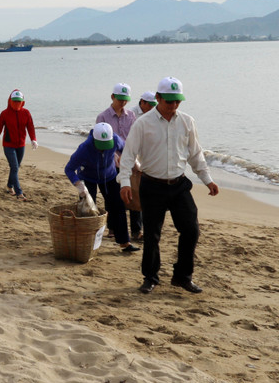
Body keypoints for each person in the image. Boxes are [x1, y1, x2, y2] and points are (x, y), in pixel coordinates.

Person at [119, 77, 219, 295]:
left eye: (177, 102)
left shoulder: (187, 121)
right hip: (151, 185)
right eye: (169, 102)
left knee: (191, 230)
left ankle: (182, 276)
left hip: (179, 184)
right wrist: (124, 182)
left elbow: (195, 153)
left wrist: (207, 179)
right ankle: (150, 277)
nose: (173, 106)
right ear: (158, 98)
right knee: (152, 234)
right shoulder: (142, 123)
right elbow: (128, 155)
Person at [65, 123, 139, 253]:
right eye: (100, 147)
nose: (103, 150)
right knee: (88, 211)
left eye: (106, 146)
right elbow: (69, 168)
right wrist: (78, 184)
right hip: (88, 178)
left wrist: (135, 164)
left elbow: (126, 151)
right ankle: (87, 243)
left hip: (109, 176)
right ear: (94, 140)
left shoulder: (116, 139)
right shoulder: (84, 148)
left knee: (119, 206)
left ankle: (124, 242)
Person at [96, 82, 142, 241]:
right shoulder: (103, 117)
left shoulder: (131, 116)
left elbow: (135, 138)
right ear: (112, 97)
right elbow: (101, 143)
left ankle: (137, 230)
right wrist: (117, 158)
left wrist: (132, 158)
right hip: (111, 162)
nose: (122, 102)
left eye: (125, 99)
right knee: (114, 197)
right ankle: (113, 228)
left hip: (129, 160)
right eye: (120, 99)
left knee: (135, 194)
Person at [0, 89, 37, 200]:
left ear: (22, 102)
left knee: (16, 167)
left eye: (19, 101)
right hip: (8, 145)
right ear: (10, 101)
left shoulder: (26, 113)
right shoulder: (4, 114)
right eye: (14, 101)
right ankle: (19, 192)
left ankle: (9, 185)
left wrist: (33, 139)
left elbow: (30, 127)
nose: (16, 104)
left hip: (21, 145)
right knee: (14, 167)